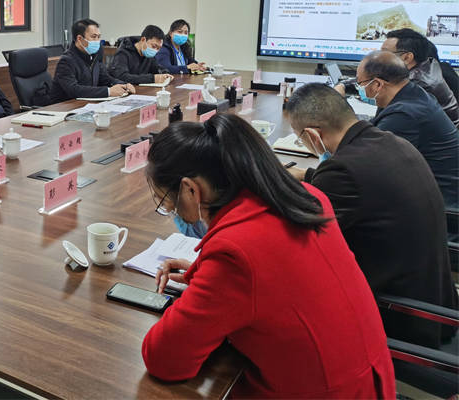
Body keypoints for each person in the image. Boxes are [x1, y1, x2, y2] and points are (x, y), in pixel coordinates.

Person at [142, 116, 394, 398]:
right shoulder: (305, 196)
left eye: (168, 202)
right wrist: (207, 277)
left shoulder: (235, 255)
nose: (172, 211)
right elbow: (276, 274)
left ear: (191, 189)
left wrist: (211, 284)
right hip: (370, 379)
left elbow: (164, 359)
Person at [285, 83, 457, 348]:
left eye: (300, 139)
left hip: (398, 318)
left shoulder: (342, 170)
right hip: (433, 299)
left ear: (312, 134)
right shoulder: (392, 142)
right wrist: (310, 176)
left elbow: (300, 236)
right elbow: (364, 185)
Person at [339, 50, 458, 207]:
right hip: (431, 193)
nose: (358, 88)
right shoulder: (412, 93)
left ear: (377, 84)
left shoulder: (405, 115)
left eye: (359, 83)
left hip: (440, 207)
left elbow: (367, 165)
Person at [381, 27, 459, 126]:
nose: (379, 57)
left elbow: (387, 123)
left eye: (385, 53)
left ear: (407, 58)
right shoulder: (430, 65)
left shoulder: (416, 85)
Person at [48, 19, 135, 103]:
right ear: (79, 39)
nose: (97, 41)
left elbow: (105, 78)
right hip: (63, 107)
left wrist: (124, 85)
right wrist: (108, 91)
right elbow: (74, 90)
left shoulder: (94, 55)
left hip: (85, 103)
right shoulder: (66, 61)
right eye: (94, 37)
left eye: (99, 37)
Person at [108, 25, 173, 86]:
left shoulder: (148, 55)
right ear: (143, 40)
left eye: (158, 48)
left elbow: (157, 68)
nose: (155, 50)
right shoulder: (123, 53)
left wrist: (165, 74)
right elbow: (122, 77)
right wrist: (152, 78)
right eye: (154, 46)